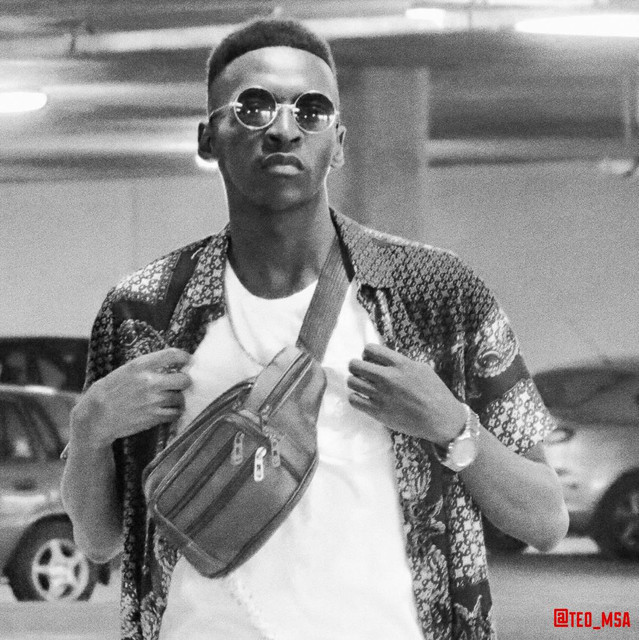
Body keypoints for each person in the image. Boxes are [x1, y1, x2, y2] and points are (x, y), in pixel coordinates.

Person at [61, 18, 568, 640]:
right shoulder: (143, 311)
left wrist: (453, 427)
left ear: (340, 142)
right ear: (208, 138)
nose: (283, 127)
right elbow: (99, 540)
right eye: (252, 107)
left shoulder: (437, 296)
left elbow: (546, 520)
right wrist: (90, 427)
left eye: (311, 110)